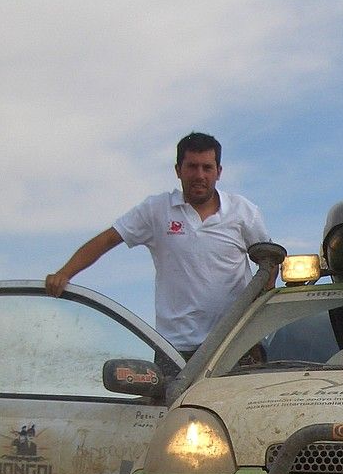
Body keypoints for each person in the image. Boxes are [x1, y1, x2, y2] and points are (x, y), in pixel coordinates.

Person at [45, 132, 273, 374]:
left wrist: (258, 318)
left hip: (234, 345)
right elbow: (108, 239)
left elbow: (269, 262)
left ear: (219, 171)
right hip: (174, 349)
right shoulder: (156, 210)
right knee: (171, 411)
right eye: (192, 167)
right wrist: (64, 273)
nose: (199, 175)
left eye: (207, 168)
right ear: (178, 170)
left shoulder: (243, 212)